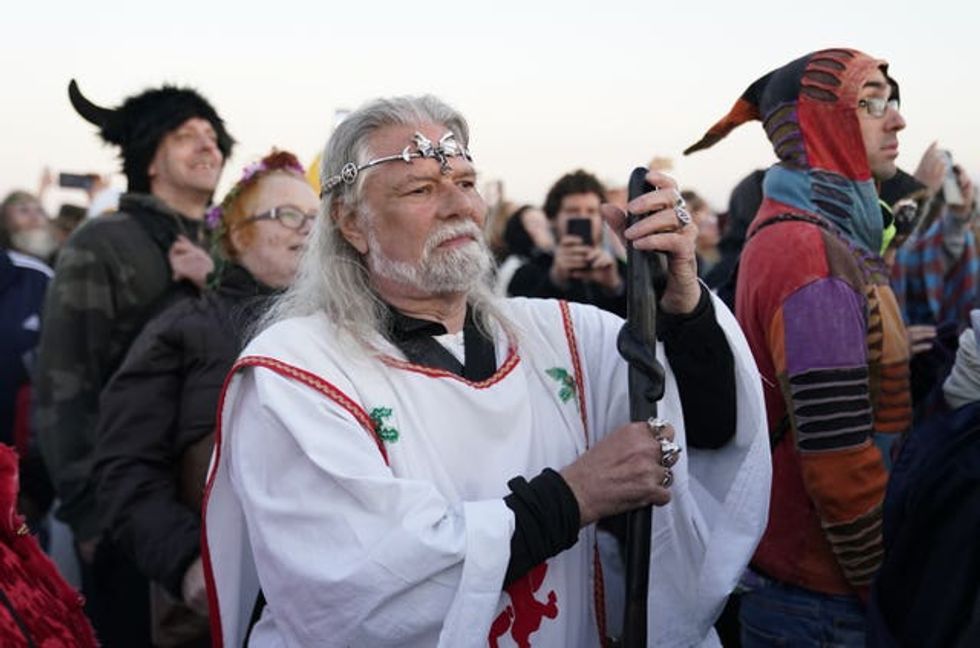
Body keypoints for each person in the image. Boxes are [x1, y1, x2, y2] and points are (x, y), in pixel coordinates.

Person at [202, 95, 771, 647]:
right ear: (353, 223)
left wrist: (682, 300)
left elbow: (711, 432)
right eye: (421, 188)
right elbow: (359, 586)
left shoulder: (565, 335)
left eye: (466, 182)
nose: (460, 206)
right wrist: (574, 495)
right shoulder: (298, 370)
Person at [685, 47, 912, 645]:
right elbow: (837, 464)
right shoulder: (810, 252)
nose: (897, 120)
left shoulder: (830, 233)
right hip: (824, 604)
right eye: (869, 105)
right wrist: (891, 592)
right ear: (819, 125)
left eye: (890, 101)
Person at [35, 79, 234, 646]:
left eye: (212, 135)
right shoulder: (104, 242)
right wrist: (91, 515)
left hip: (217, 512)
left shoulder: (230, 245)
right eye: (184, 135)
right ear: (149, 158)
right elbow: (63, 383)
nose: (207, 146)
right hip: (130, 515)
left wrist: (216, 279)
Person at [94, 150, 314, 647]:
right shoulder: (185, 330)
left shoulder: (343, 331)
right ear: (238, 236)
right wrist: (187, 562)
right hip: (217, 612)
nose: (308, 230)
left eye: (317, 219)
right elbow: (124, 465)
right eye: (287, 215)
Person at [507, 170, 627, 316]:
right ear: (553, 218)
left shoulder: (619, 270)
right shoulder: (528, 273)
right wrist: (554, 281)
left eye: (591, 211)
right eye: (573, 211)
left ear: (601, 218)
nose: (583, 218)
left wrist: (614, 287)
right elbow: (524, 321)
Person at [494, 204, 555, 295]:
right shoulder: (516, 267)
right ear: (521, 231)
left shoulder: (552, 260)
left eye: (545, 221)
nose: (546, 228)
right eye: (536, 224)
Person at [0, 190, 58, 262]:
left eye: (39, 211)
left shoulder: (56, 259)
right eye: (24, 210)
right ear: (5, 219)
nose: (35, 218)